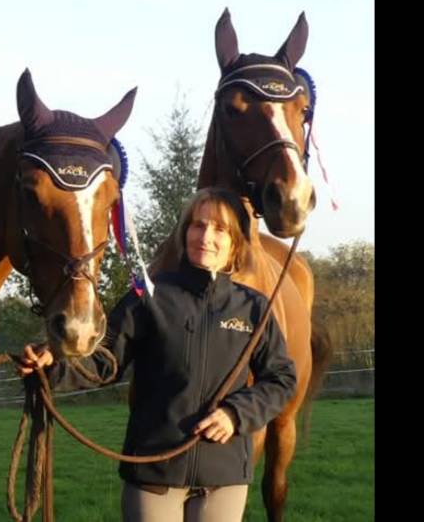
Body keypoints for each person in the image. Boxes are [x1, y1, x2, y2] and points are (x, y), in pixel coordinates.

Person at [18, 187, 296, 521]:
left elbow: (281, 380)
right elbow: (107, 361)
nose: (205, 236)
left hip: (224, 477)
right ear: (185, 231)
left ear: (235, 241)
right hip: (153, 471)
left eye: (219, 229)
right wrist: (54, 367)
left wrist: (236, 415)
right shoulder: (149, 295)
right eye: (198, 225)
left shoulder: (254, 309)